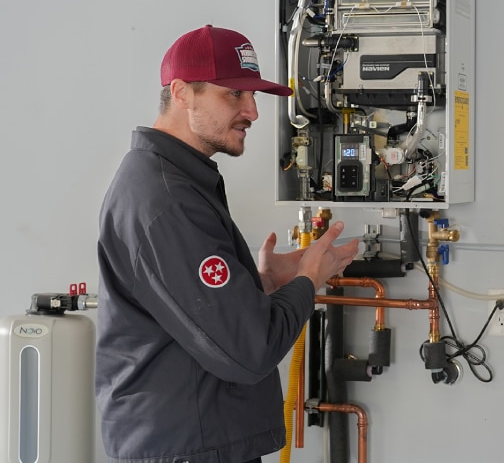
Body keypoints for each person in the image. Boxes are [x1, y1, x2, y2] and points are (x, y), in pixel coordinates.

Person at [95, 25, 360, 463]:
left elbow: (194, 312)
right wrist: (307, 281)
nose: (252, 111)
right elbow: (251, 349)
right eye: (234, 94)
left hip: (193, 440)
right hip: (188, 447)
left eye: (253, 95)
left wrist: (260, 285)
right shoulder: (167, 199)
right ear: (182, 93)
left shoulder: (174, 180)